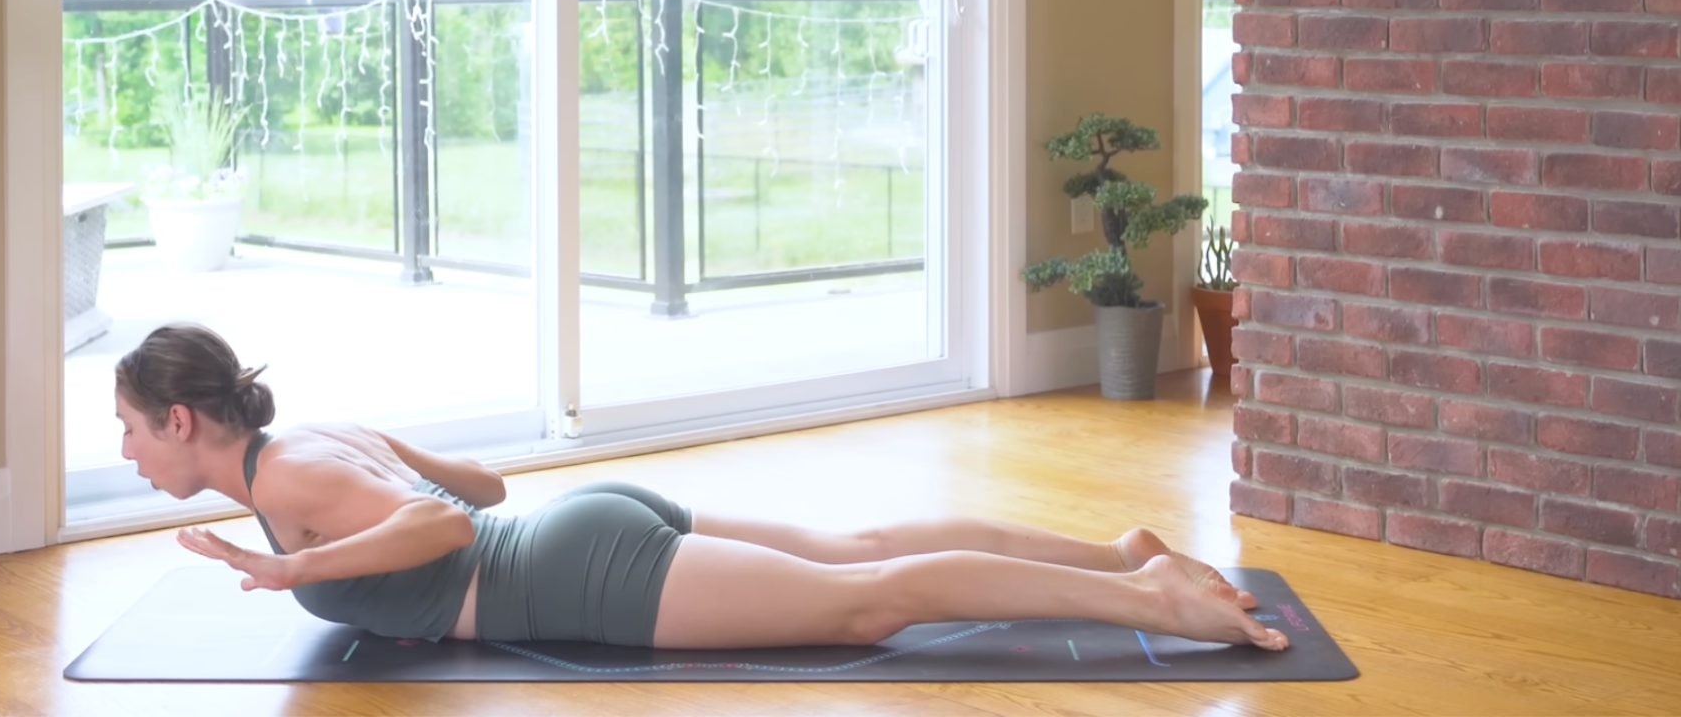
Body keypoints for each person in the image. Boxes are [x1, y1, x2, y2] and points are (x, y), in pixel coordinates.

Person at [115, 323, 1289, 653]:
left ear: (182, 420)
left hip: (574, 575)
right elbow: (480, 481)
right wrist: (402, 459)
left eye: (129, 431)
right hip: (579, 529)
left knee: (868, 598)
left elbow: (436, 525)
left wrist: (294, 566)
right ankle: (1124, 553)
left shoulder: (299, 476)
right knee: (858, 545)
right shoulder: (319, 435)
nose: (127, 455)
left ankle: (1158, 606)